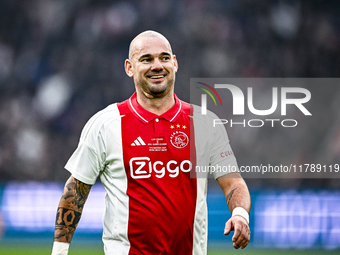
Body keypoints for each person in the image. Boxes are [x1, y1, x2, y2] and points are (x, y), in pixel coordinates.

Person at [51, 30, 251, 255]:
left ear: (175, 63)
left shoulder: (206, 123)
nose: (157, 65)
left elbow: (234, 183)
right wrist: (59, 251)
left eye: (164, 58)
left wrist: (240, 214)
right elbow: (77, 189)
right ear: (129, 67)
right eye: (146, 59)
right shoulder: (105, 124)